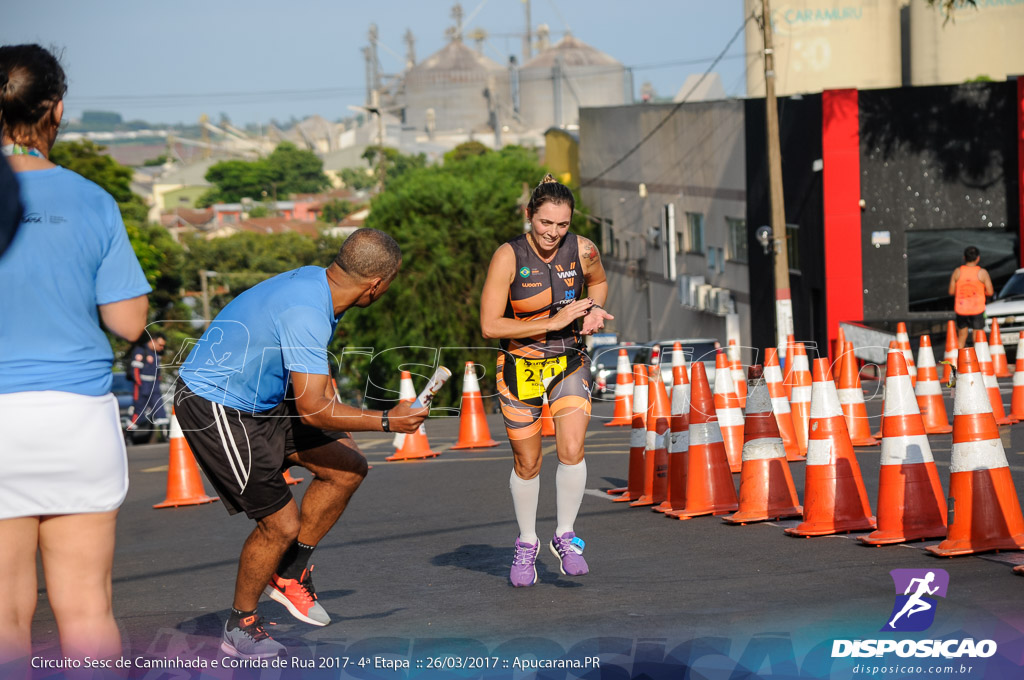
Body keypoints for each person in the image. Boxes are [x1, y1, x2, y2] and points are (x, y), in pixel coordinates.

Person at [174, 228, 428, 659]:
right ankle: (240, 627)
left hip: (264, 400)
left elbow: (311, 383)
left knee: (346, 465)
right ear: (378, 284)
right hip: (218, 405)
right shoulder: (309, 310)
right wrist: (388, 420)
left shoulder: (320, 283)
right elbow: (312, 409)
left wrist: (340, 420)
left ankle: (289, 573)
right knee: (281, 525)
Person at [0, 45, 151, 665]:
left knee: (6, 613)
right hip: (76, 417)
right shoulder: (93, 200)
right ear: (56, 109)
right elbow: (129, 321)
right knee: (87, 607)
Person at [480, 174, 613, 587]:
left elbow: (600, 283)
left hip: (569, 361)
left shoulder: (584, 249)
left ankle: (565, 535)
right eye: (545, 224)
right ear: (528, 216)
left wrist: (592, 311)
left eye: (562, 225)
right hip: (520, 367)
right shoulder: (508, 256)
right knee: (529, 462)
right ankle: (526, 542)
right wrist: (552, 319)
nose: (553, 233)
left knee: (572, 448)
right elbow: (489, 325)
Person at [948, 245, 993, 349]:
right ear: (978, 258)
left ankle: (958, 362)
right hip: (977, 309)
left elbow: (951, 291)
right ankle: (976, 361)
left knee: (961, 337)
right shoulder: (982, 273)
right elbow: (990, 292)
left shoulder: (957, 272)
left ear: (964, 257)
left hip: (961, 309)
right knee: (977, 338)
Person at [127, 331, 168, 442]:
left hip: (154, 387)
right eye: (160, 345)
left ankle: (165, 436)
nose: (162, 347)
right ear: (153, 341)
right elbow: (135, 371)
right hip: (142, 386)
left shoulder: (157, 354)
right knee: (139, 411)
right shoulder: (141, 351)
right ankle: (128, 435)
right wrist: (140, 386)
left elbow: (158, 373)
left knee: (160, 410)